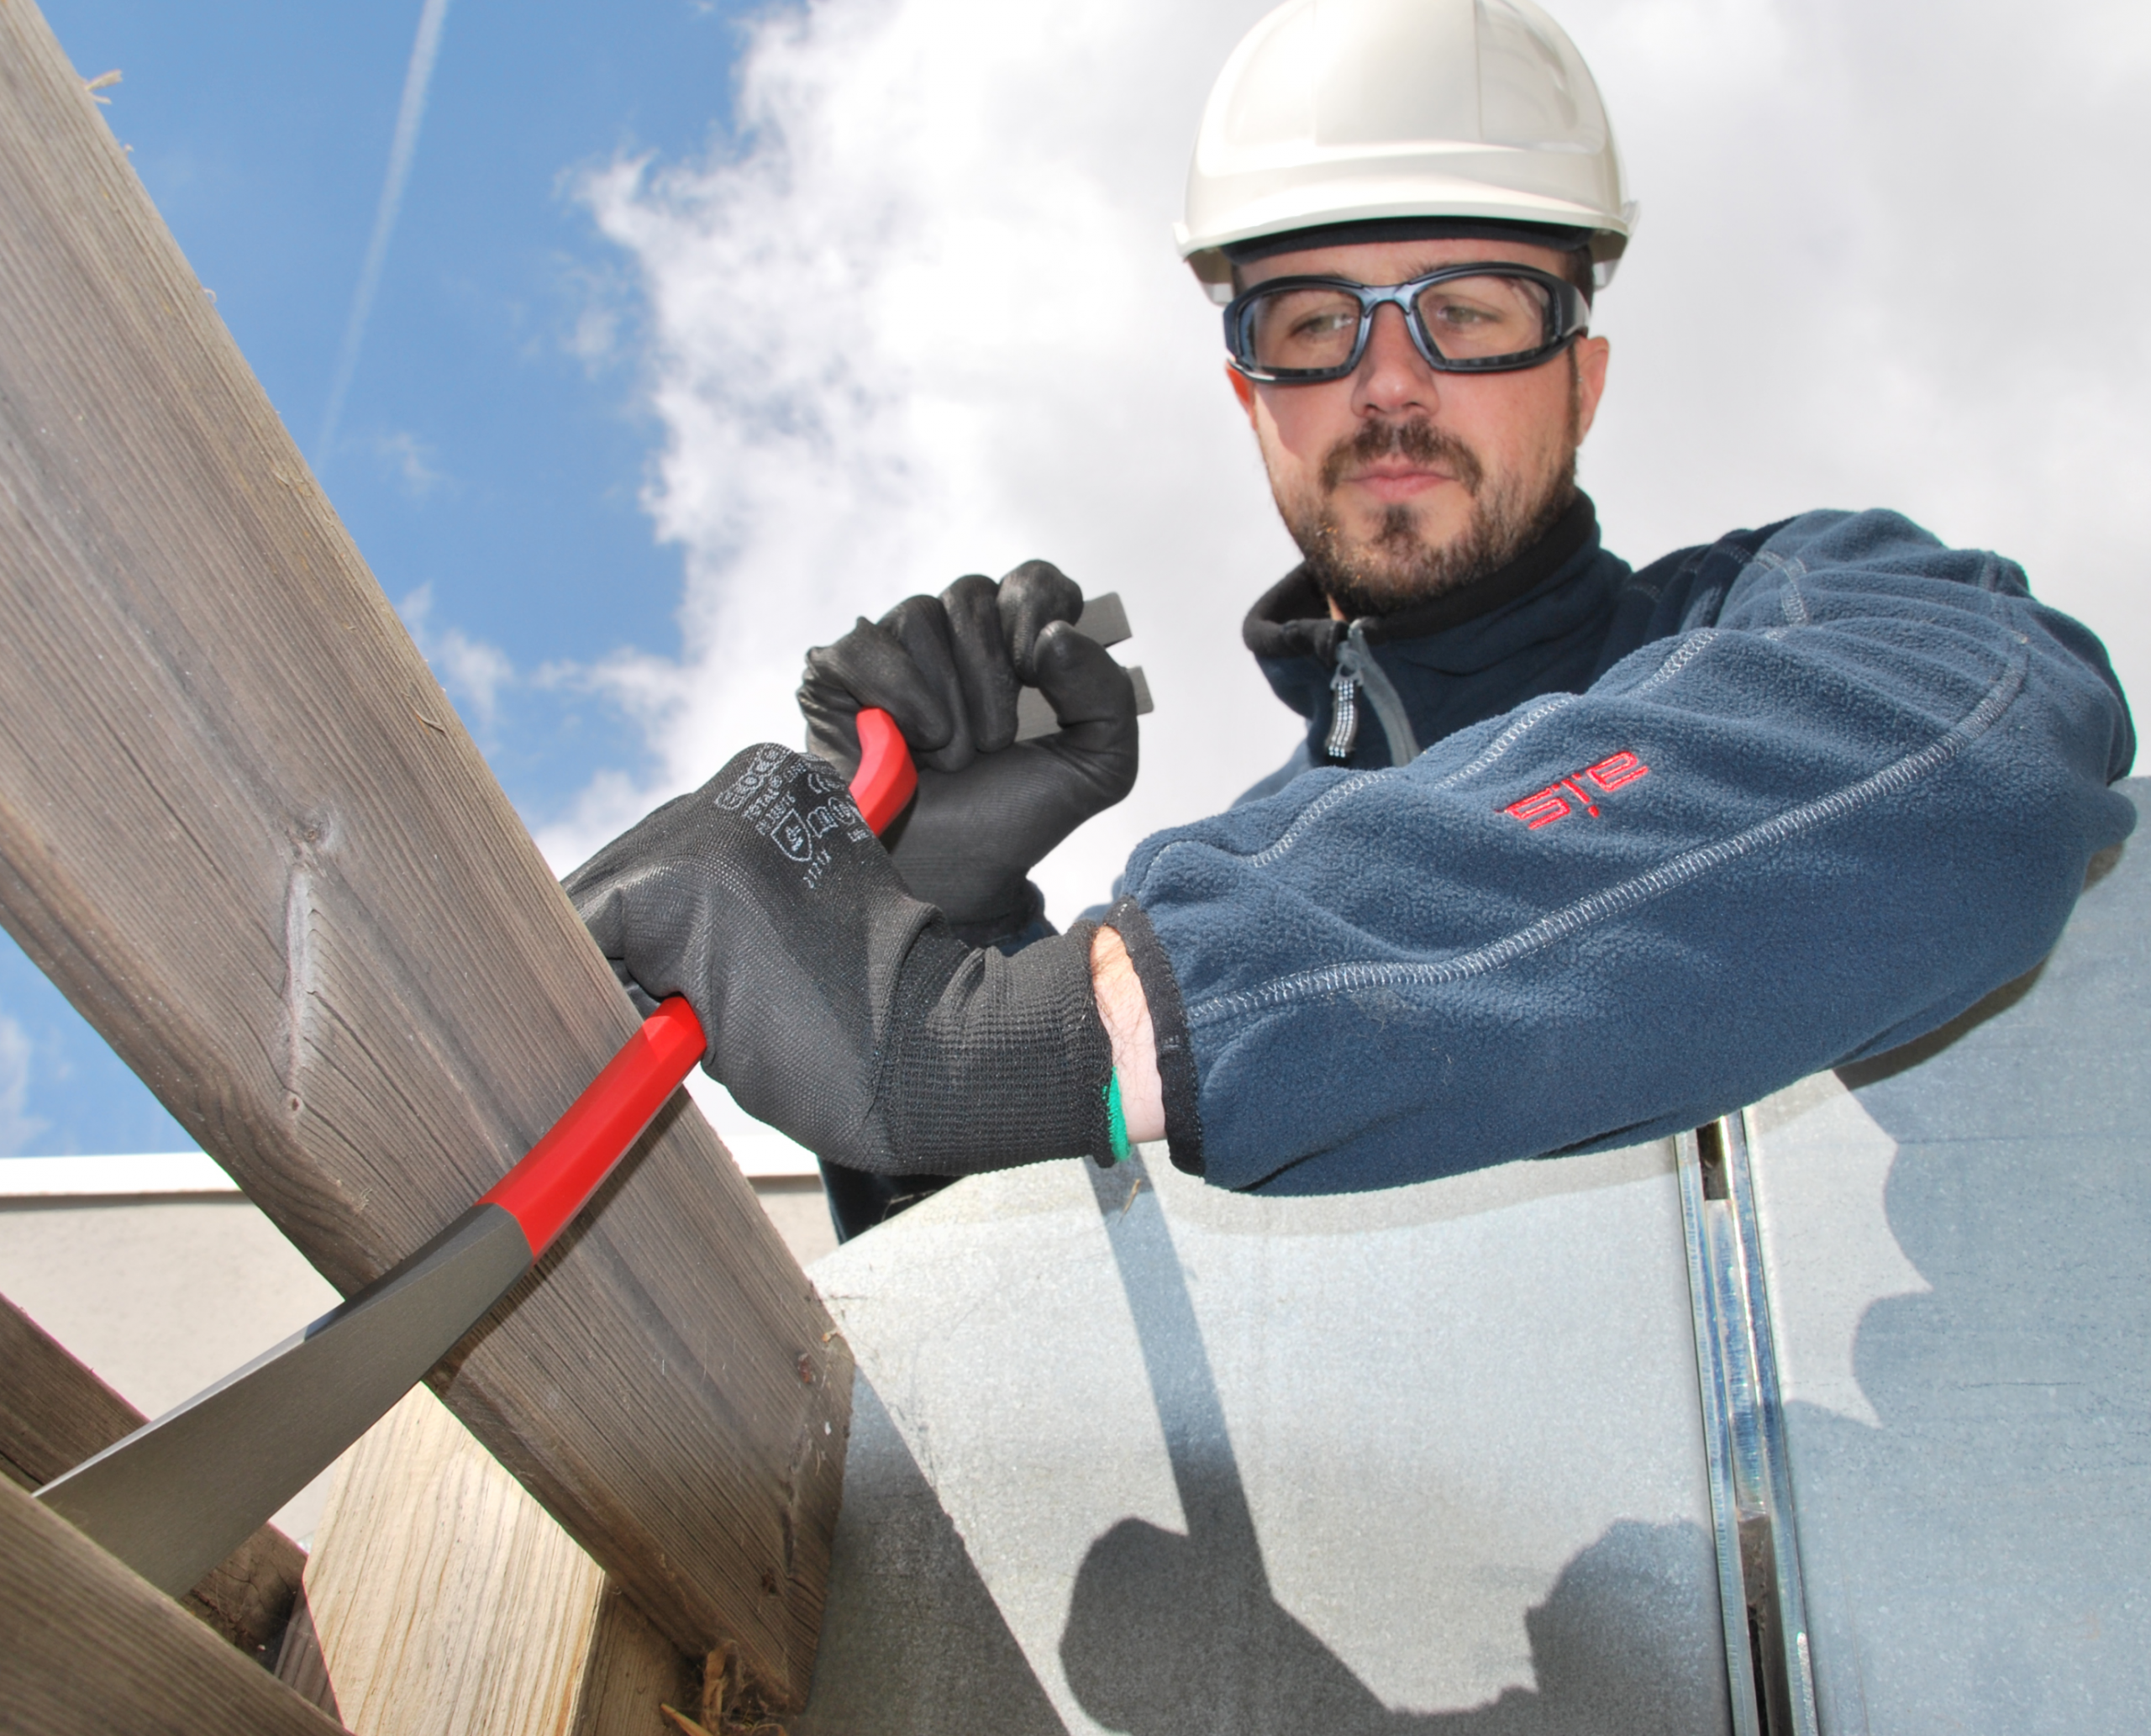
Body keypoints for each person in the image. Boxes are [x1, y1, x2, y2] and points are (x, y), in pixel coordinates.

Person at [567, 0, 2134, 1239]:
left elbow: (1983, 750)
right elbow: (1038, 1417)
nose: (1391, 381)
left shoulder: (1814, 618)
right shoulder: (1216, 914)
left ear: (1582, 373)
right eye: (1314, 322)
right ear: (1252, 400)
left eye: (1468, 310)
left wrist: (1033, 1035)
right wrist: (938, 933)